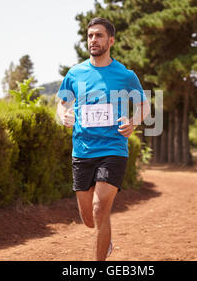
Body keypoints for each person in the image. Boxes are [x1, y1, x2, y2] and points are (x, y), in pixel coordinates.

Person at [56, 17, 150, 261]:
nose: (93, 40)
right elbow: (62, 103)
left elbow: (144, 106)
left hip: (113, 149)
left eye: (98, 35)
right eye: (90, 36)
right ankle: (105, 240)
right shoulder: (75, 74)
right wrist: (63, 114)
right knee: (89, 218)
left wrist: (134, 121)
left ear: (111, 40)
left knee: (99, 209)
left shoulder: (125, 75)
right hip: (82, 151)